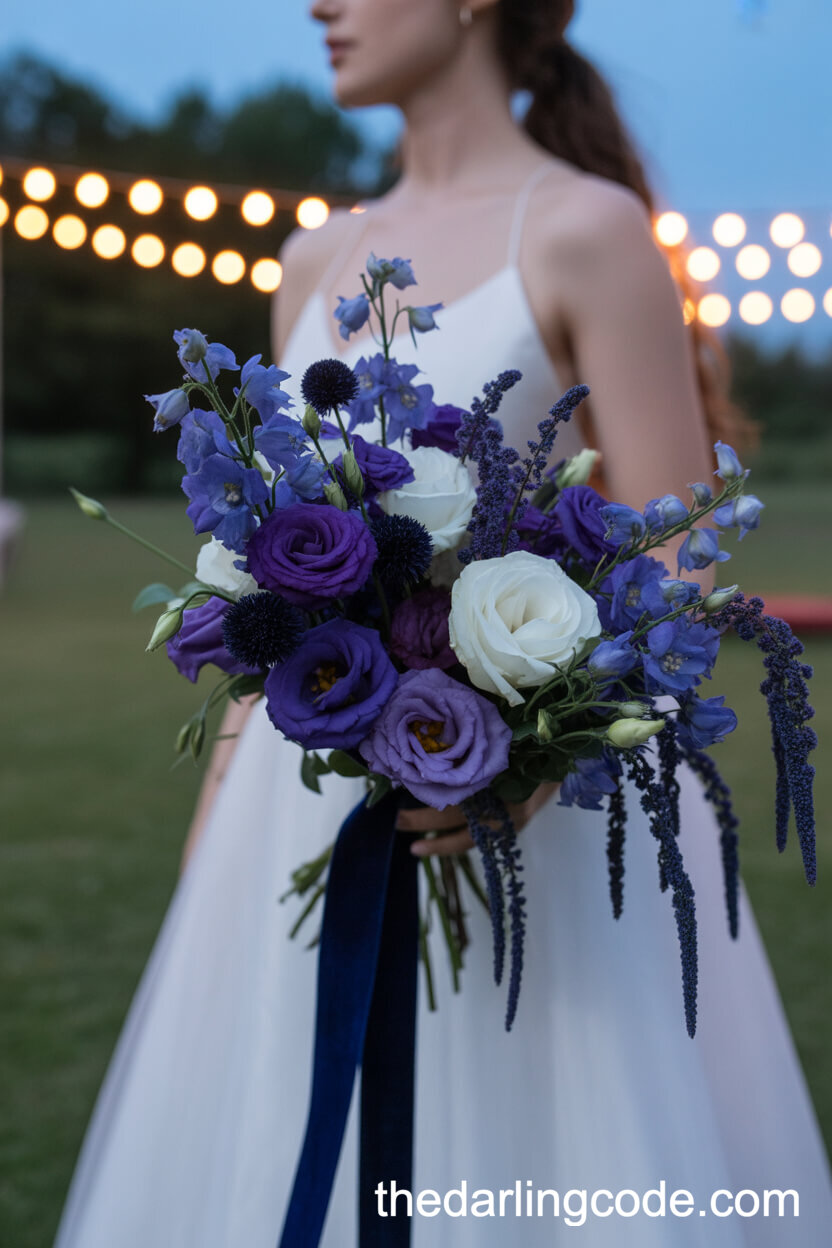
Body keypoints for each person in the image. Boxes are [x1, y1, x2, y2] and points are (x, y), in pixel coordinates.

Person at [54, 2, 832, 1245]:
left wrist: (528, 753)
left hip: (540, 836)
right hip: (297, 799)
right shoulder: (315, 258)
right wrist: (216, 871)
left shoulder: (586, 231)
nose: (320, 5)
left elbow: (672, 565)